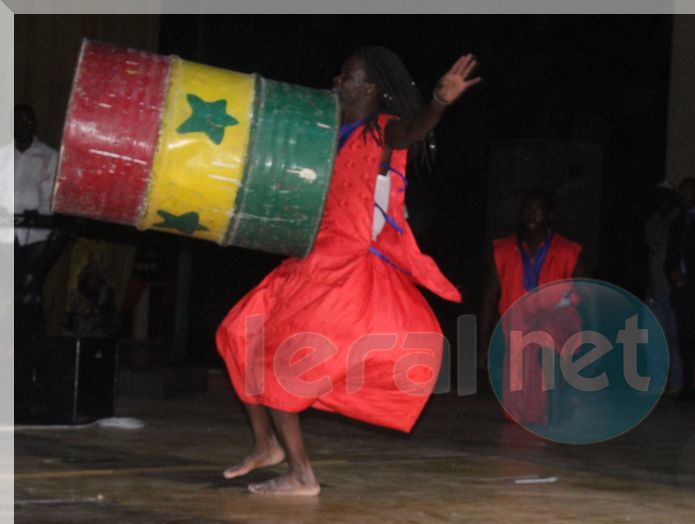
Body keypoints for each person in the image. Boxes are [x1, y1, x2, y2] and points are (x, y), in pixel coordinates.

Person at [216, 48, 481, 495]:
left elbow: (413, 130)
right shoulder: (328, 135)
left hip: (339, 269)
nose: (338, 81)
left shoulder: (381, 130)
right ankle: (267, 446)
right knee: (238, 333)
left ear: (372, 88)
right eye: (339, 74)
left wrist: (438, 100)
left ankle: (302, 475)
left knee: (282, 360)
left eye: (349, 76)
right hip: (307, 258)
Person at [479, 188, 585, 427]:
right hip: (518, 330)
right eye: (527, 209)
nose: (531, 214)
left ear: (549, 215)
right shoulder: (504, 250)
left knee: (546, 332)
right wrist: (483, 343)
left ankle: (557, 402)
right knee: (517, 413)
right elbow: (488, 297)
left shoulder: (567, 250)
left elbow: (588, 293)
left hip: (558, 325)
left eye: (538, 209)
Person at [665, 177, 695, 401]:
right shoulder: (677, 221)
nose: (684, 195)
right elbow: (670, 255)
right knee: (684, 338)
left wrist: (694, 278)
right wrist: (672, 272)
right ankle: (688, 385)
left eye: (688, 190)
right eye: (681, 191)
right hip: (681, 288)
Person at [14, 104, 59, 307]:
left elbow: (49, 197)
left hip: (35, 235)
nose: (23, 125)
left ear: (35, 125)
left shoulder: (49, 156)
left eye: (28, 121)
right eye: (18, 121)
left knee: (28, 290)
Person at [643, 180, 683, 396]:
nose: (662, 201)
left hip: (673, 291)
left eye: (666, 196)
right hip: (656, 289)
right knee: (652, 336)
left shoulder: (679, 221)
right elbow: (651, 257)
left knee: (673, 338)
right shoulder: (652, 223)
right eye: (659, 196)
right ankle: (657, 383)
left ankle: (676, 383)